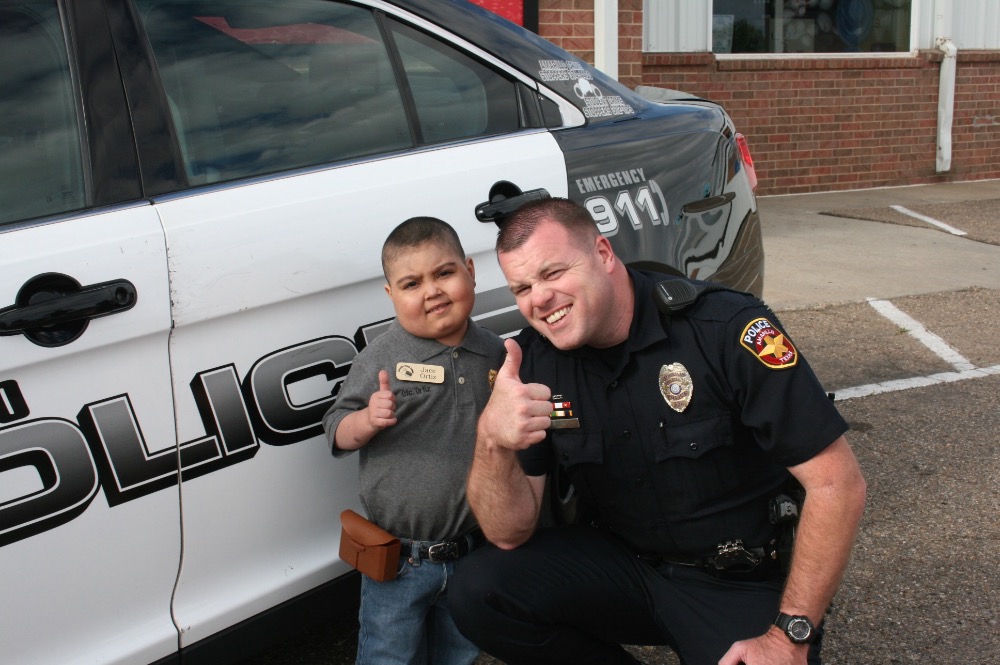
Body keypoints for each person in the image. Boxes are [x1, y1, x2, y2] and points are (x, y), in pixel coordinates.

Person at [449, 198, 867, 665]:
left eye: (552, 274)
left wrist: (790, 634)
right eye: (521, 287)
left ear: (604, 255)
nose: (538, 299)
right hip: (623, 568)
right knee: (478, 589)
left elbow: (837, 483)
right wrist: (492, 439)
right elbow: (509, 534)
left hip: (734, 578)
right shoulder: (531, 363)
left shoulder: (724, 329)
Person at [322, 216, 505, 665]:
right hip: (400, 562)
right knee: (389, 655)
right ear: (391, 295)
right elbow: (334, 426)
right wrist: (366, 419)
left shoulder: (496, 353)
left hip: (472, 552)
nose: (432, 291)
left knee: (459, 651)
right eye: (411, 283)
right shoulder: (381, 357)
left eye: (444, 273)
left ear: (470, 270)